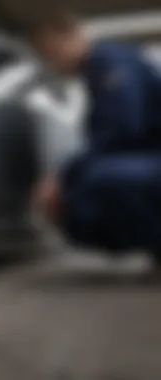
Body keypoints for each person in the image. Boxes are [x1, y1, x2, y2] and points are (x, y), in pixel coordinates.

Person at [30, 8, 161, 263]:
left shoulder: (109, 61)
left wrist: (62, 176)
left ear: (75, 35)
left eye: (54, 50)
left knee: (95, 182)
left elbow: (123, 127)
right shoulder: (97, 71)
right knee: (81, 191)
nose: (53, 62)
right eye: (46, 56)